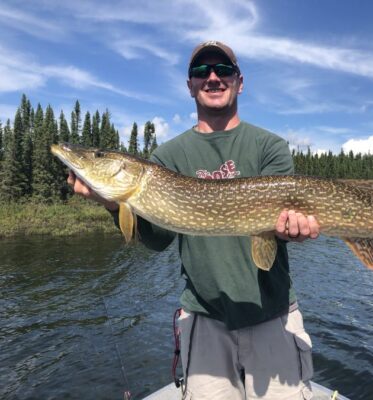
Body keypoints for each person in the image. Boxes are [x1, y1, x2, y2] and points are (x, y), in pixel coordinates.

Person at [68, 40, 320, 399]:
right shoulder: (167, 156)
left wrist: (291, 231)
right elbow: (157, 241)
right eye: (201, 71)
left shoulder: (269, 146)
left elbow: (278, 226)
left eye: (223, 70)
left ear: (240, 82)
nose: (213, 77)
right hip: (204, 321)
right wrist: (112, 206)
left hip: (273, 316)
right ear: (190, 85)